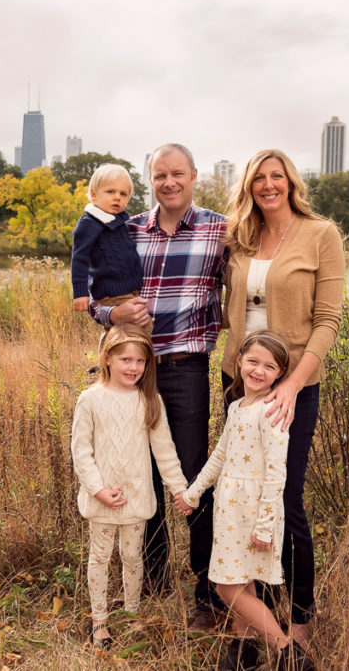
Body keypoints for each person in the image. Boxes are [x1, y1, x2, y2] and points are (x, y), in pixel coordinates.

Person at [89, 143, 228, 629]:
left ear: (193, 175)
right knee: (136, 470)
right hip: (133, 369)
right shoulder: (124, 230)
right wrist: (111, 313)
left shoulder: (220, 229)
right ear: (151, 180)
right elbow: (92, 294)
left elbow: (253, 278)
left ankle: (208, 593)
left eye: (177, 174)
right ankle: (150, 578)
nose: (168, 183)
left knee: (189, 478)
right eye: (159, 175)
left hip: (187, 369)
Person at [222, 148, 344, 646]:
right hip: (236, 382)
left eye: (277, 177)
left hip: (291, 389)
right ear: (249, 186)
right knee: (235, 497)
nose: (268, 185)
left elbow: (328, 322)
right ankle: (248, 621)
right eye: (259, 178)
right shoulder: (240, 237)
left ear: (291, 182)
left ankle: (299, 621)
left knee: (283, 497)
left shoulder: (321, 235)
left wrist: (292, 384)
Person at [178, 331, 315, 671]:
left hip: (254, 514)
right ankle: (244, 652)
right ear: (238, 361)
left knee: (227, 588)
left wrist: (266, 527)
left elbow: (276, 474)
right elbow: (220, 456)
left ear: (280, 374)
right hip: (229, 510)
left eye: (269, 366)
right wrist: (193, 493)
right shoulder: (238, 407)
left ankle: (289, 655)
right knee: (241, 581)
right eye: (253, 361)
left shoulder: (272, 412)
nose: (258, 370)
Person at [70, 323, 191, 649]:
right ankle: (99, 623)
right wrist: (97, 489)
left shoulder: (150, 401)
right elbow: (81, 452)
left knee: (133, 557)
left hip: (135, 498)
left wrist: (179, 489)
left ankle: (131, 617)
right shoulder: (90, 400)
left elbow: (165, 452)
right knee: (99, 557)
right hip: (102, 499)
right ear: (107, 358)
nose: (133, 367)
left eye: (140, 361)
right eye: (125, 359)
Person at [70, 164, 144, 323]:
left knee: (145, 329)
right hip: (111, 295)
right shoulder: (89, 223)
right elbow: (79, 259)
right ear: (93, 195)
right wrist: (80, 293)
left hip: (132, 292)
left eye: (123, 194)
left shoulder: (121, 222)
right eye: (111, 192)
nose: (117, 197)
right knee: (129, 332)